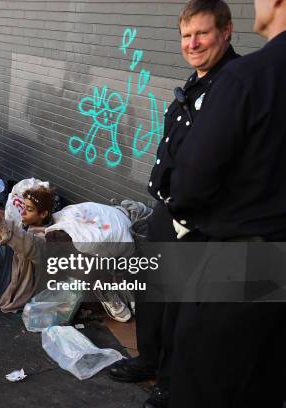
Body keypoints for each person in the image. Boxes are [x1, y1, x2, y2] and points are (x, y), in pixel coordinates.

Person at [107, 1, 238, 407]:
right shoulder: (200, 81)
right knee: (154, 296)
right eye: (186, 35)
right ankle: (148, 359)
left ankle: (171, 381)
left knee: (181, 309)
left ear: (227, 31)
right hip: (167, 212)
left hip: (196, 221)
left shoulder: (232, 85)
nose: (192, 43)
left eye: (202, 33)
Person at [164, 0, 286, 406]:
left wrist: (185, 209)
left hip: (246, 255)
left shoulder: (247, 78)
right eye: (186, 35)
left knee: (208, 380)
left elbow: (194, 179)